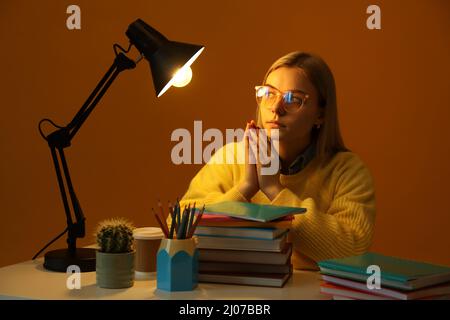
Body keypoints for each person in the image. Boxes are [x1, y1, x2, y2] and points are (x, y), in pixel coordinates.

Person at [177, 52, 376, 270]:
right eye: (269, 94)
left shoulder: (346, 170)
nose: (276, 108)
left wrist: (274, 189)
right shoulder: (229, 157)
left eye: (293, 99)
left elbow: (351, 253)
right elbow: (177, 228)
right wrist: (244, 189)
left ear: (321, 115)